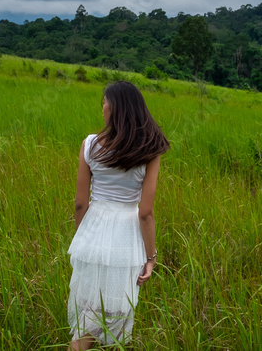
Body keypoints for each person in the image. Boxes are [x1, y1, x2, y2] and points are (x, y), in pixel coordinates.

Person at [67, 80, 170, 349]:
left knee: (89, 310)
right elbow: (146, 213)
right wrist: (151, 257)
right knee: (117, 310)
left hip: (94, 227)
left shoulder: (90, 145)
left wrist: (83, 238)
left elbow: (80, 203)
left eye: (104, 102)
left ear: (113, 108)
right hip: (126, 233)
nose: (101, 108)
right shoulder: (150, 149)